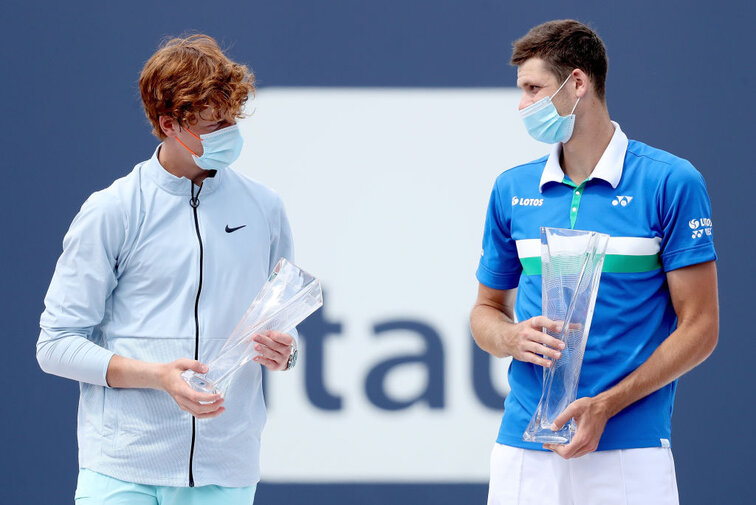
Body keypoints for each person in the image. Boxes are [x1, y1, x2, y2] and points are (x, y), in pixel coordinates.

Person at [37, 34, 298, 504]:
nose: (228, 134)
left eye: (231, 120)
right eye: (213, 124)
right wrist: (158, 376)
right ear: (168, 124)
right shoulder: (112, 210)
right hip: (122, 470)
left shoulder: (265, 208)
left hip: (227, 471)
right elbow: (55, 345)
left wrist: (286, 353)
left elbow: (278, 327)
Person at [470, 19, 718, 505]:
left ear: (577, 83)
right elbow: (485, 311)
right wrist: (509, 336)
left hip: (630, 451)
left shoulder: (671, 181)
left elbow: (701, 327)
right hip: (525, 448)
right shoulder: (511, 189)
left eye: (533, 88)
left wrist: (607, 405)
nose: (523, 106)